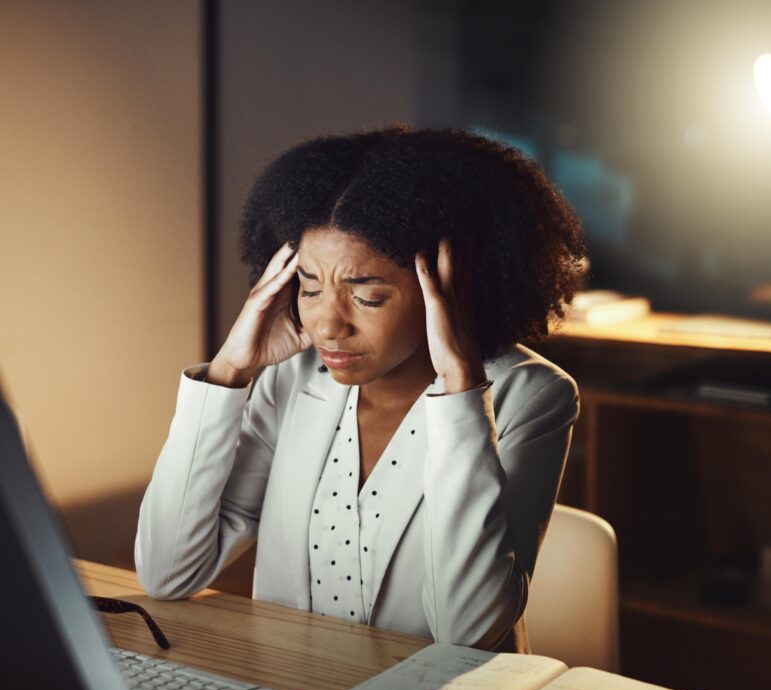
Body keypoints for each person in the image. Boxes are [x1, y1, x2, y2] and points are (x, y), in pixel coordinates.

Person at [134, 126, 586, 653]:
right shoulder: (290, 381)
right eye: (308, 287)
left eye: (368, 297)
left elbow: (469, 633)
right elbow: (166, 572)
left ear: (452, 288)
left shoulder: (532, 397)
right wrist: (228, 371)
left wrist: (462, 389)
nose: (329, 325)